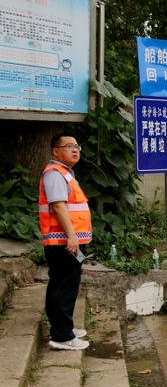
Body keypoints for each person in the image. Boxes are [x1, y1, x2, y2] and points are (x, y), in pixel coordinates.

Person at [39, 133, 91, 350]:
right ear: (55, 151)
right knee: (64, 286)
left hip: (68, 241)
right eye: (68, 146)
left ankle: (64, 328)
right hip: (63, 242)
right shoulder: (54, 174)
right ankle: (62, 337)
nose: (75, 149)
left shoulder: (65, 174)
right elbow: (58, 206)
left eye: (77, 146)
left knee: (66, 284)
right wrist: (71, 236)